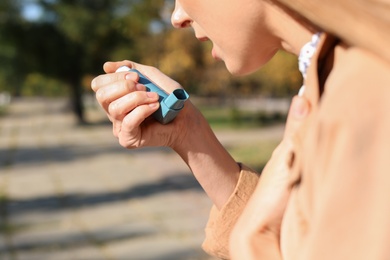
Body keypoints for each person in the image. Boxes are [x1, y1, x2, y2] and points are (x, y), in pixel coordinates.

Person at [91, 0, 390, 259]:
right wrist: (187, 131)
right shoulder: (337, 74)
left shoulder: (366, 92)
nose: (176, 16)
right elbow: (298, 239)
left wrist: (251, 243)